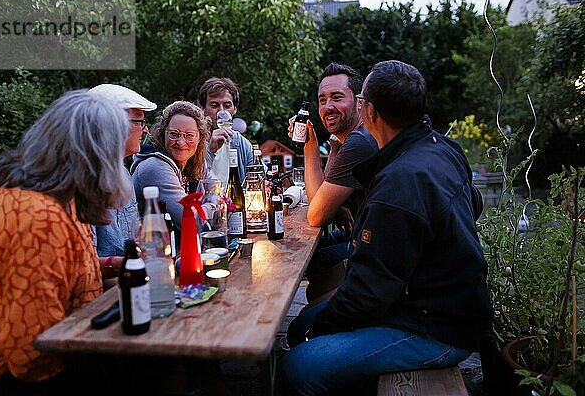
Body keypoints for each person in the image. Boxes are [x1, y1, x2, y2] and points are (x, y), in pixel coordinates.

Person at [281, 60, 493, 395]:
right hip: (430, 298)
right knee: (301, 327)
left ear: (369, 112)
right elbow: (474, 205)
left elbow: (367, 293)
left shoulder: (397, 183)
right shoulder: (441, 146)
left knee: (297, 365)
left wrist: (321, 328)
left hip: (438, 326)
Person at [0, 90, 132, 395]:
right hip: (9, 377)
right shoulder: (37, 216)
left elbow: (59, 271)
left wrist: (110, 266)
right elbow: (32, 355)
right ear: (95, 156)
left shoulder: (57, 197)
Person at [288, 62, 378, 302]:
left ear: (360, 102)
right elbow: (325, 193)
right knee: (316, 264)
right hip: (363, 241)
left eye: (337, 97)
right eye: (322, 100)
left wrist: (309, 147)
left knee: (303, 322)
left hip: (375, 257)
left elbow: (317, 213)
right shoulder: (351, 140)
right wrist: (335, 145)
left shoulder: (360, 142)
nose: (328, 106)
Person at [88, 83, 157, 279]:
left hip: (127, 281)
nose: (145, 131)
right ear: (114, 124)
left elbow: (132, 239)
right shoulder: (84, 180)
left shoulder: (123, 173)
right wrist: (130, 265)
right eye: (140, 122)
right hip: (99, 296)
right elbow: (84, 264)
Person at [131, 101, 210, 229]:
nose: (181, 142)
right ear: (163, 134)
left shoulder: (195, 163)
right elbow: (190, 220)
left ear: (200, 138)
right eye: (174, 134)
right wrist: (214, 204)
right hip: (150, 246)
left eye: (189, 135)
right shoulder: (155, 167)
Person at [198, 77, 253, 186]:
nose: (222, 112)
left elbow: (259, 178)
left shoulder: (243, 144)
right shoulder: (193, 141)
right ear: (203, 109)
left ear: (235, 109)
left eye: (227, 106)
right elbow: (191, 179)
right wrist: (210, 151)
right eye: (214, 105)